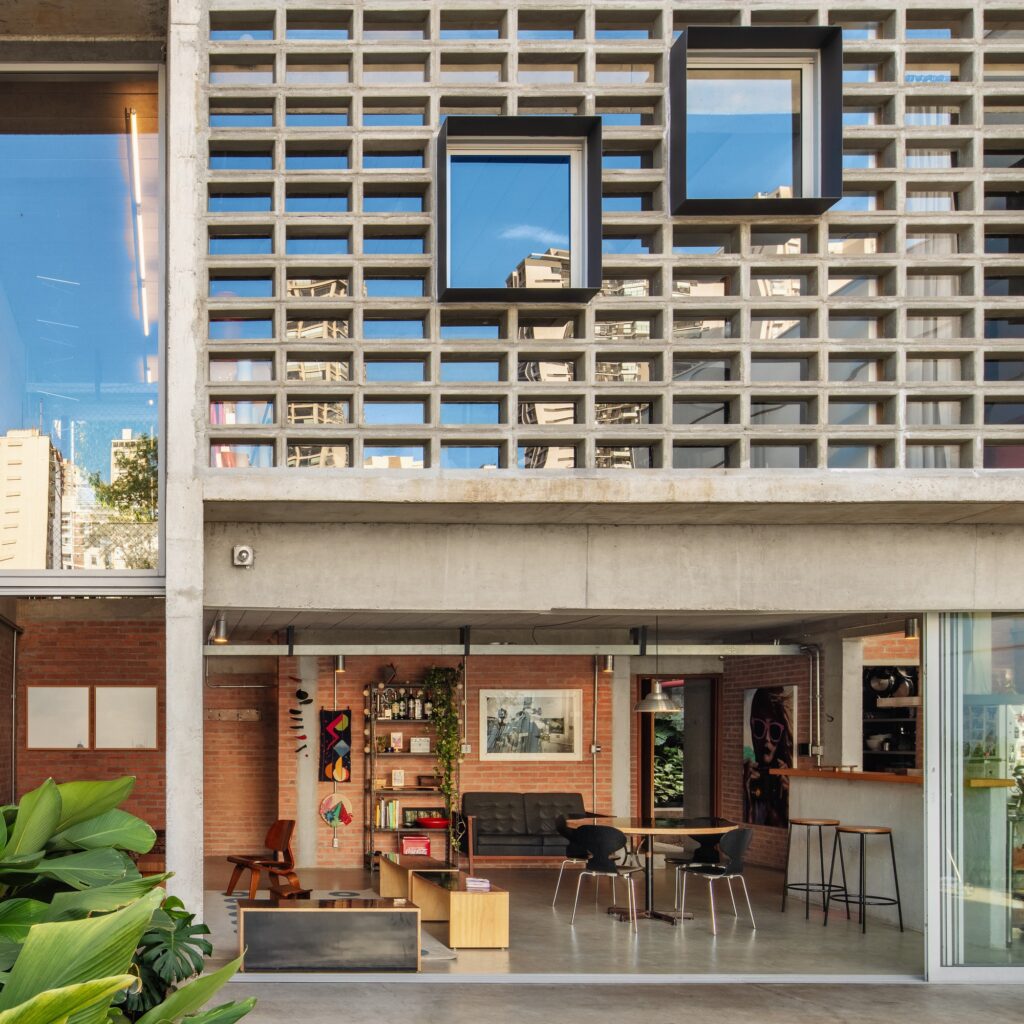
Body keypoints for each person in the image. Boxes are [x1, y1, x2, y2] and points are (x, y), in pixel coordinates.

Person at [742, 686, 793, 828]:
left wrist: (788, 802)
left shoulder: (787, 782)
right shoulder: (747, 779)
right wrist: (747, 801)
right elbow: (747, 835)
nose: (767, 739)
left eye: (775, 730)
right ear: (752, 729)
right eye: (759, 727)